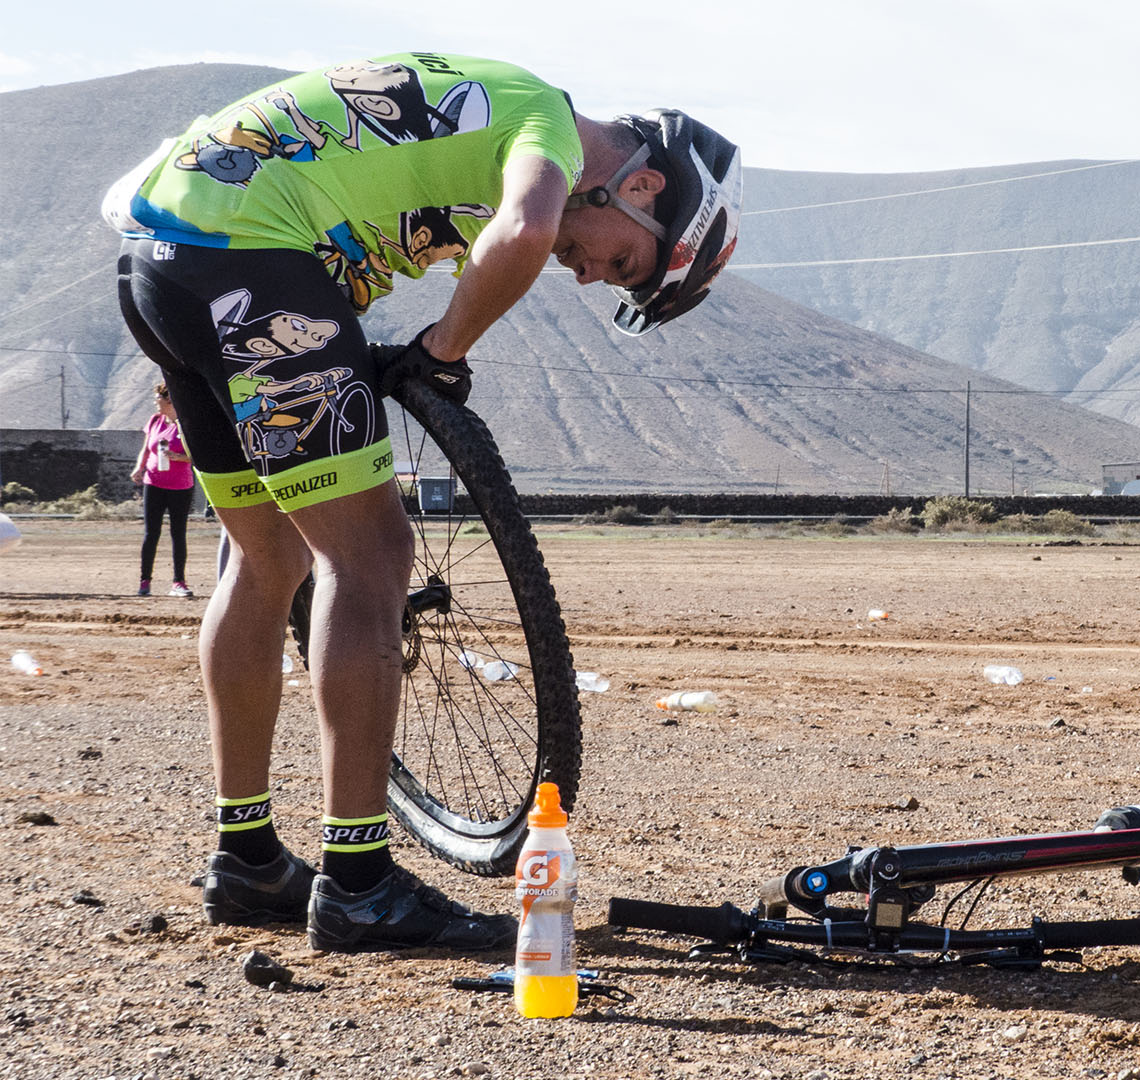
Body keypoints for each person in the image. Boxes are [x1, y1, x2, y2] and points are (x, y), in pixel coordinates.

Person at [103, 53, 741, 953]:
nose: (594, 277)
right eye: (625, 259)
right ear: (638, 182)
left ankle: (246, 859)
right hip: (251, 265)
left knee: (269, 557)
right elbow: (521, 234)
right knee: (368, 558)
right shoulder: (548, 127)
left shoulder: (504, 113)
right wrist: (444, 351)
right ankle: (359, 883)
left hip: (161, 262)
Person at [130, 382, 196, 598]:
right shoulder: (154, 421)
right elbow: (146, 449)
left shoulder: (186, 424)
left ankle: (178, 582)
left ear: (169, 400)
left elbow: (197, 456)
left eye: (157, 398)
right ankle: (145, 581)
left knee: (178, 534)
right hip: (153, 483)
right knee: (151, 533)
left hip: (180, 486)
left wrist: (181, 458)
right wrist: (139, 468)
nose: (154, 402)